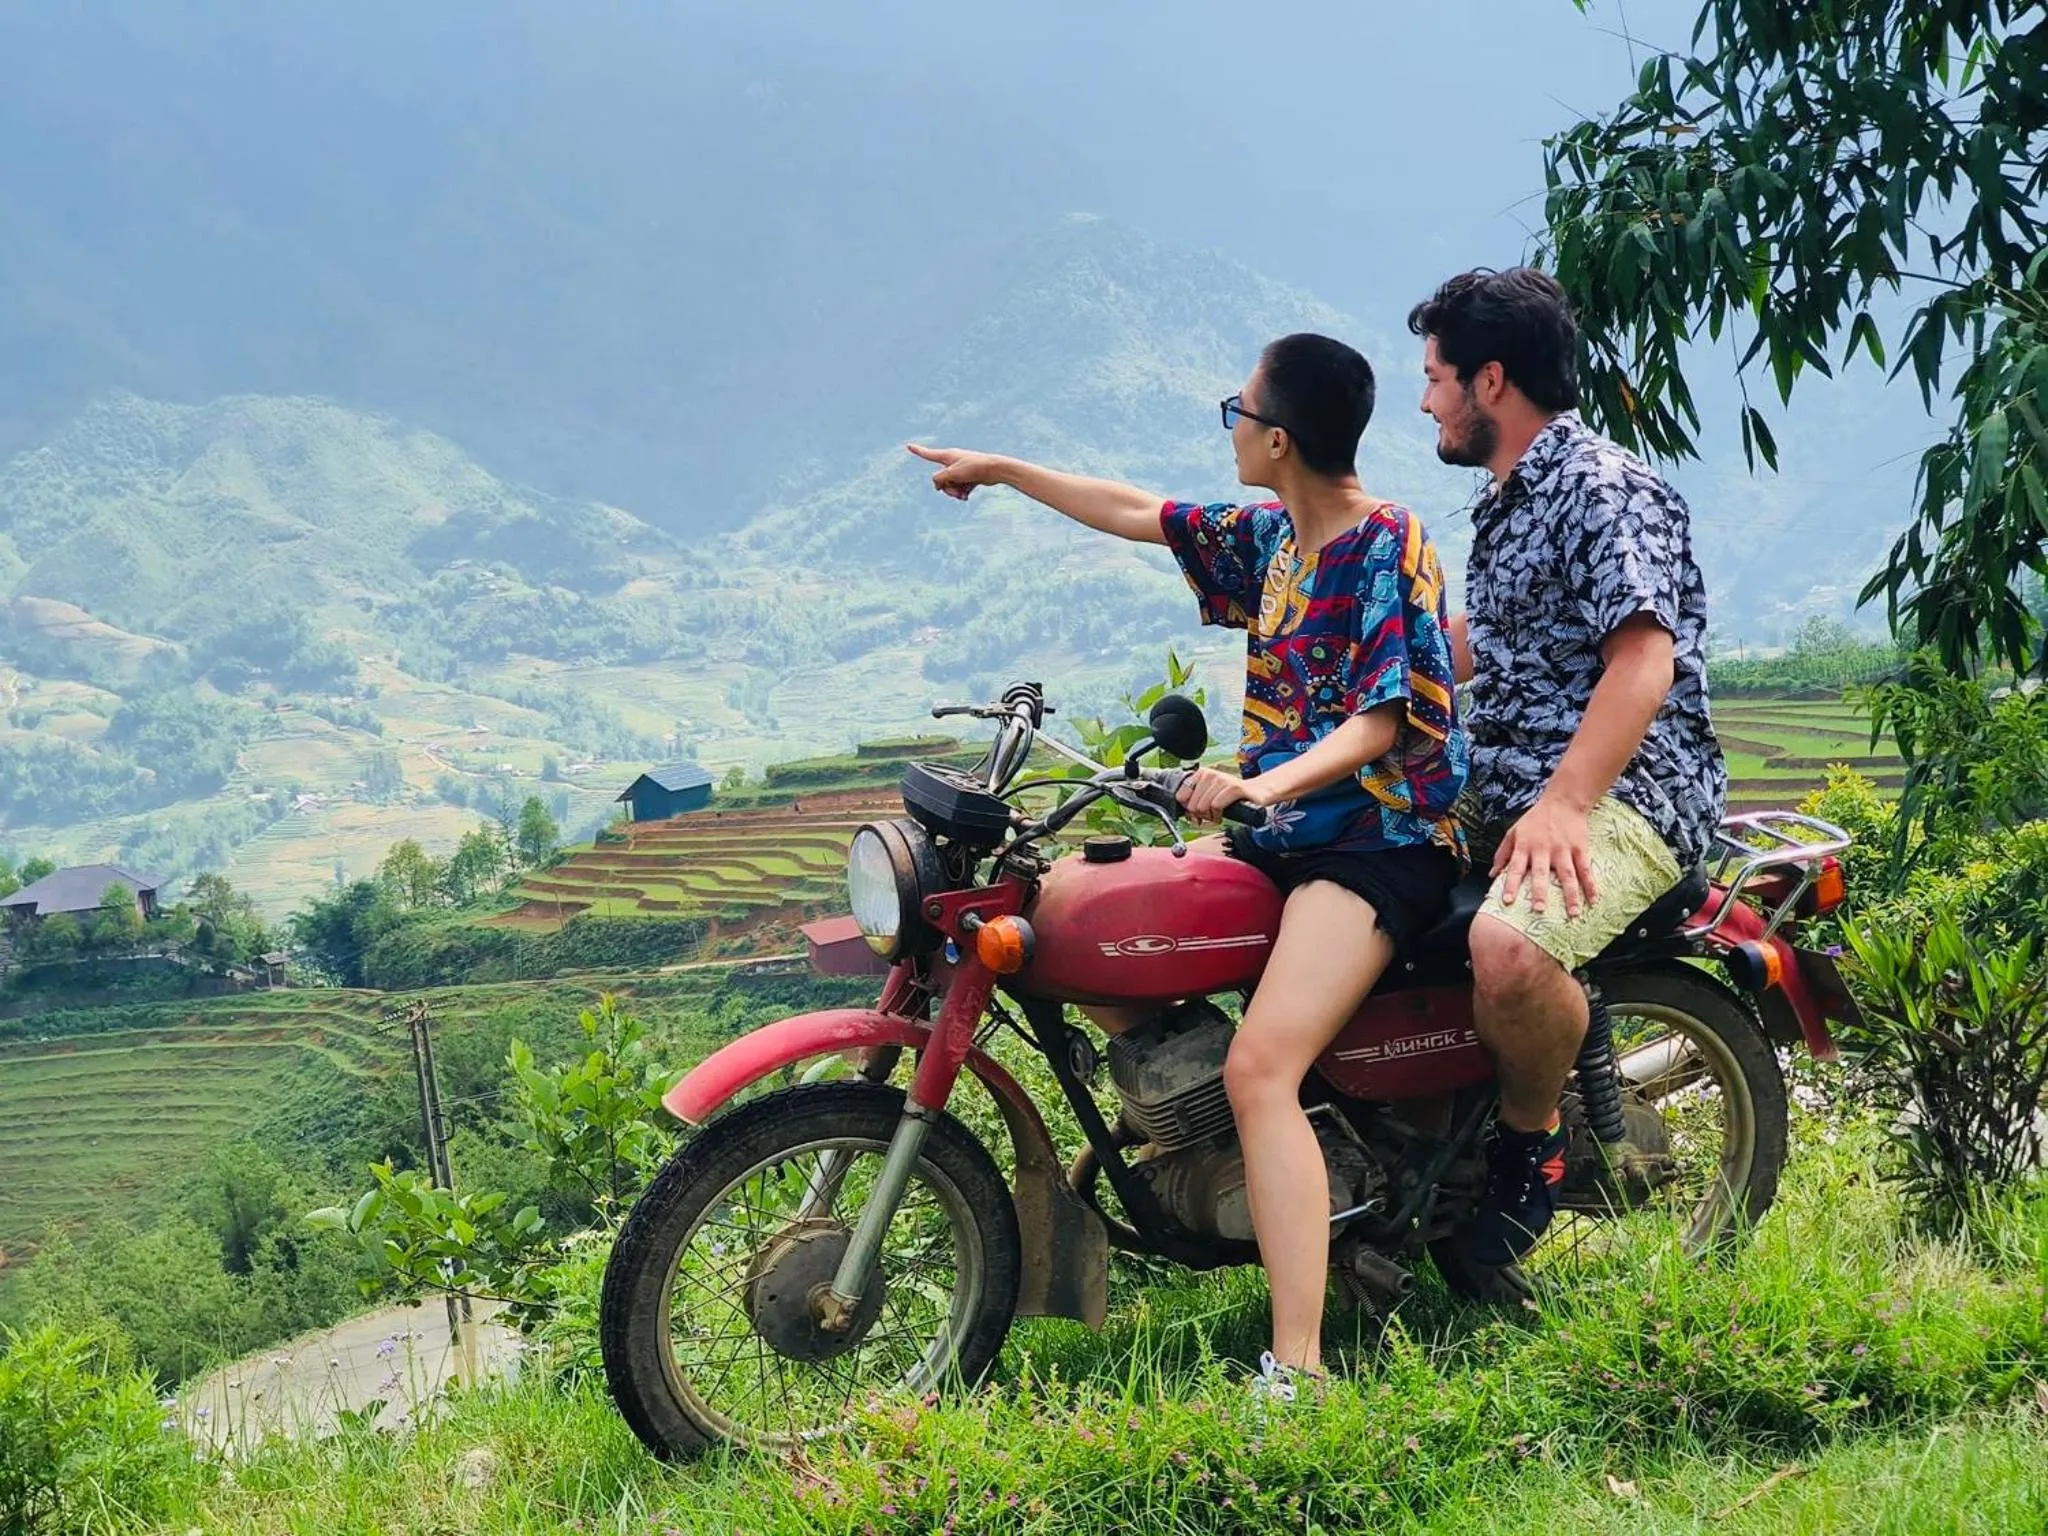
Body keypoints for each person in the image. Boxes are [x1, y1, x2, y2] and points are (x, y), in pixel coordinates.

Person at [908, 332, 1466, 1399]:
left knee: (1262, 1069)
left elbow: (1383, 719)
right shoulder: (1273, 538)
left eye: (1237, 412)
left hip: (1375, 847)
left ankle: (1296, 1371)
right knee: (1090, 941)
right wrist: (1004, 470)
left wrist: (1262, 785)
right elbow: (1134, 511)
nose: (1230, 429)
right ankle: (1204, 1165)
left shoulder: (1382, 539)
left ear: (1278, 437)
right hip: (1283, 838)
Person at [1406, 268, 1727, 1268]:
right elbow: (1485, 641)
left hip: (1630, 796)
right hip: (1507, 786)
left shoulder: (1598, 489)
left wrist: (1561, 806)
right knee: (1339, 873)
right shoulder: (1508, 501)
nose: (1424, 401)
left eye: (1433, 378)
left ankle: (1528, 1143)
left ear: (1488, 381)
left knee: (1508, 950)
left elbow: (1641, 658)